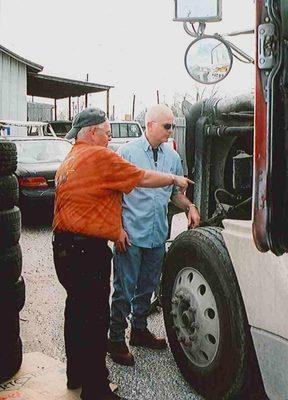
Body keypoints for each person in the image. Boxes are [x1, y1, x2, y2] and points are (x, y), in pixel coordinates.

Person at [52, 107, 192, 400]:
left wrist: (113, 228)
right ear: (91, 132)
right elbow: (140, 177)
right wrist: (172, 180)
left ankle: (75, 374)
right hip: (85, 249)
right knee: (95, 319)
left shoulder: (70, 160)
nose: (110, 137)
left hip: (65, 247)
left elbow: (91, 201)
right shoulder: (99, 155)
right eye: (106, 131)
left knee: (76, 312)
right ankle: (97, 389)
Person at [108, 104, 200, 366]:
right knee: (124, 289)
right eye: (167, 126)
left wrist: (190, 207)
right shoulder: (127, 153)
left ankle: (138, 331)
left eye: (172, 126)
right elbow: (113, 195)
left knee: (147, 289)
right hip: (131, 235)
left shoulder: (172, 156)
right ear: (150, 125)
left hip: (157, 235)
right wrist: (117, 230)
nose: (171, 131)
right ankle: (115, 340)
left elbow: (175, 194)